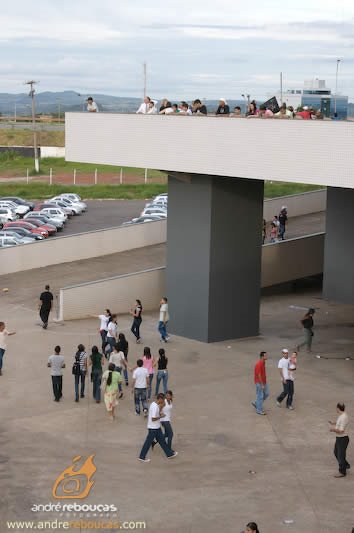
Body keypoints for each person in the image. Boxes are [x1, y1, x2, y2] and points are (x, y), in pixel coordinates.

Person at [138, 393, 178, 462]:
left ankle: (169, 454)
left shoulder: (155, 405)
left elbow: (155, 414)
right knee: (147, 443)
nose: (163, 402)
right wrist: (161, 417)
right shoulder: (154, 407)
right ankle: (142, 456)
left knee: (162, 441)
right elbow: (153, 419)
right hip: (153, 428)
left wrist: (160, 413)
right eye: (162, 401)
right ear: (160, 399)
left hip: (157, 427)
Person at [329, 403, 350, 478]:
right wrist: (333, 423)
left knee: (340, 455)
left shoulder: (343, 417)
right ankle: (346, 464)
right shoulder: (342, 415)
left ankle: (342, 472)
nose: (336, 409)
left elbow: (341, 431)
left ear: (338, 408)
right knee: (336, 452)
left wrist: (333, 430)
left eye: (336, 408)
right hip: (339, 438)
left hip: (342, 439)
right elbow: (340, 423)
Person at [252, 351, 269, 415]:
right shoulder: (259, 364)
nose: (267, 356)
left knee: (266, 394)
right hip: (259, 383)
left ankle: (257, 403)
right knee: (260, 396)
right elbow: (259, 375)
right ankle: (259, 410)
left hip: (264, 381)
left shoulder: (263, 362)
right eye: (265, 356)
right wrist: (262, 384)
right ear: (262, 357)